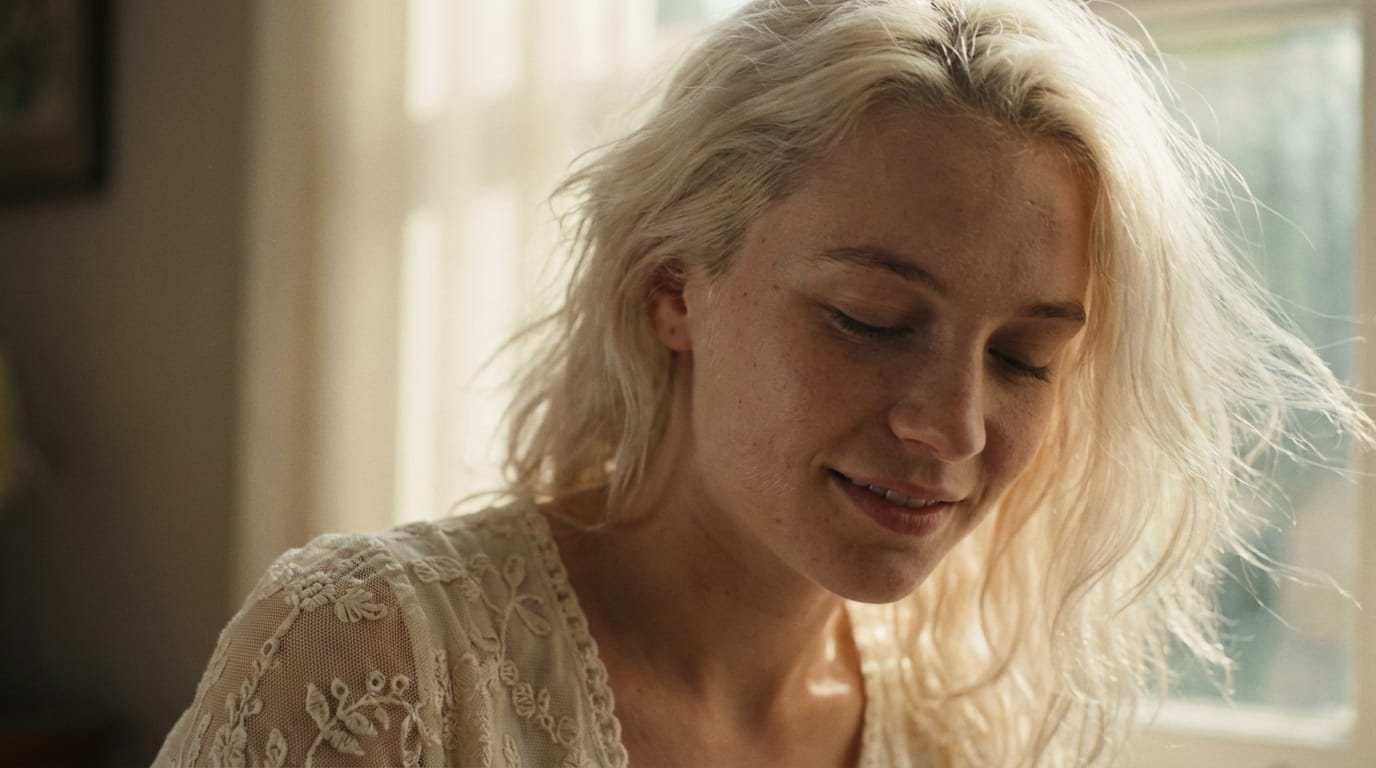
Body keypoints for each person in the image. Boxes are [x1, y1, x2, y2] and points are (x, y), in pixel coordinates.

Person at [156, 1, 1374, 766]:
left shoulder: (962, 738)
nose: (950, 426)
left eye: (1021, 358)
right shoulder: (380, 657)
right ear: (671, 290)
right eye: (870, 320)